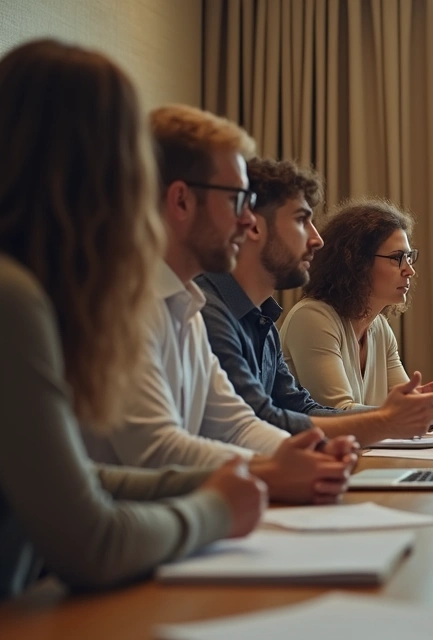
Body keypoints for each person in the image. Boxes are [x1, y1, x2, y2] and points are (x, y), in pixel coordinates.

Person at [0, 39, 264, 598]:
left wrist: (219, 481)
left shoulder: (31, 292)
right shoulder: (12, 298)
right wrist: (216, 508)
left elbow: (70, 484)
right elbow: (92, 543)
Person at [82, 104, 356, 505]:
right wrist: (275, 470)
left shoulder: (185, 302)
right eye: (236, 200)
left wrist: (304, 453)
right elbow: (157, 449)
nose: (248, 222)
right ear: (181, 202)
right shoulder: (121, 305)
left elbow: (236, 425)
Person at [197, 158, 433, 443]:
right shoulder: (208, 313)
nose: (317, 239)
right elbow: (259, 422)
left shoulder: (262, 320)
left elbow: (301, 409)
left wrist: (411, 416)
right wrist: (387, 420)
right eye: (301, 220)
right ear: (253, 225)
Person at [280, 198, 433, 422]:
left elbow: (403, 412)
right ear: (355, 262)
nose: (409, 270)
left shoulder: (379, 327)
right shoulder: (312, 318)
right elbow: (337, 414)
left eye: (409, 257)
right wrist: (417, 411)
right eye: (397, 258)